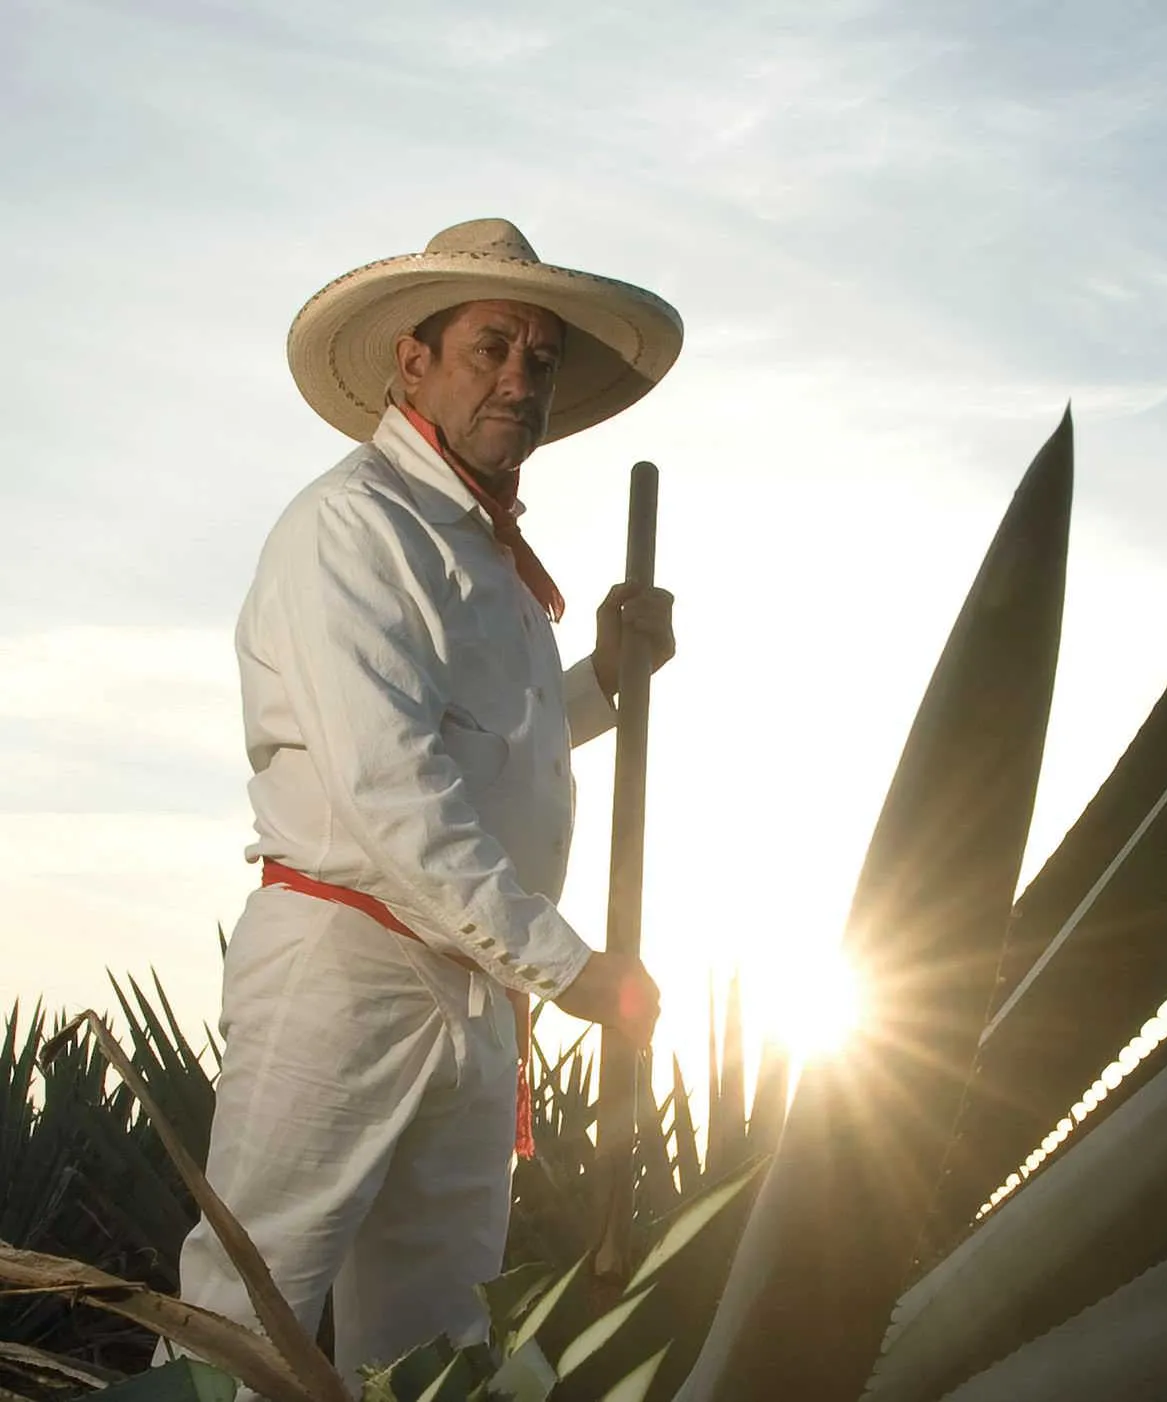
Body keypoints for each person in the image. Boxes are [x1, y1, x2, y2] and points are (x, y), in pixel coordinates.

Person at [173, 218, 684, 1392]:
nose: (519, 377)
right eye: (490, 345)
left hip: (471, 990)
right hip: (345, 971)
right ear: (412, 364)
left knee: (440, 1331)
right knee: (250, 1309)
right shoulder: (350, 528)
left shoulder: (491, 558)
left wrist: (605, 676)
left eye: (539, 359)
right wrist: (572, 967)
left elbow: (492, 748)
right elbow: (387, 789)